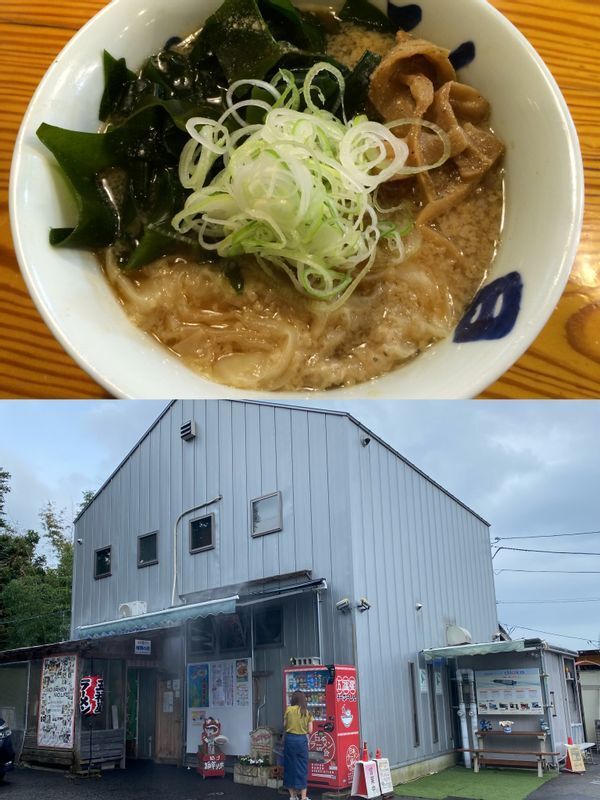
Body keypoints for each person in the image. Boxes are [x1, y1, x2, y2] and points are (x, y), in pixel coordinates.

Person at [283, 690, 313, 800]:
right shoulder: (307, 712)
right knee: (302, 768)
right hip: (301, 741)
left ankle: (293, 796)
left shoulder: (289, 710)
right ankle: (303, 797)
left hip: (290, 740)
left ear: (293, 699)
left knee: (290, 767)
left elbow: (285, 725)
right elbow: (310, 730)